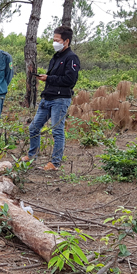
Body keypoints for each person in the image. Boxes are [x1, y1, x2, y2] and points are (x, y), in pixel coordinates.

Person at [21, 26, 80, 171]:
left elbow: (70, 80)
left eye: (57, 40)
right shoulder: (56, 57)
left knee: (57, 131)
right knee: (34, 127)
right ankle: (32, 155)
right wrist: (46, 79)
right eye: (53, 40)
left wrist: (49, 78)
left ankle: (55, 163)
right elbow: (55, 77)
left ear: (66, 41)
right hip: (47, 97)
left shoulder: (71, 58)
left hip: (60, 99)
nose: (54, 42)